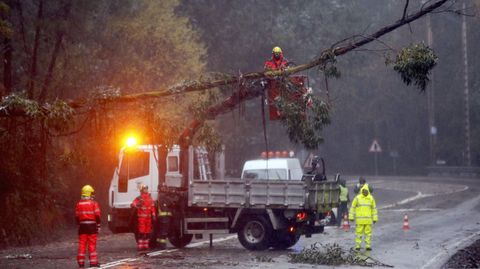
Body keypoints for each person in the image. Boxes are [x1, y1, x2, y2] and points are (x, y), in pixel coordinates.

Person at [75, 185, 101, 268]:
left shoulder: (78, 204)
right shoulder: (94, 203)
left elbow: (76, 217)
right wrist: (99, 225)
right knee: (92, 245)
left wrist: (79, 224)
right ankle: (93, 263)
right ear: (89, 193)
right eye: (92, 193)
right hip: (92, 227)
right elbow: (97, 215)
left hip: (82, 227)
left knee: (82, 245)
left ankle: (81, 263)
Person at [349, 185, 378, 251]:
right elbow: (352, 207)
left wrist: (375, 218)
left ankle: (368, 246)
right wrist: (351, 217)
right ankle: (358, 246)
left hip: (367, 220)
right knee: (359, 234)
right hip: (361, 221)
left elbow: (374, 209)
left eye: (366, 191)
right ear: (362, 191)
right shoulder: (357, 198)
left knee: (368, 234)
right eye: (364, 191)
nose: (365, 192)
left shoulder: (371, 198)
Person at [131, 185, 156, 251]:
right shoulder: (139, 198)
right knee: (141, 233)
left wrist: (154, 215)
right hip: (142, 218)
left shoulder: (150, 198)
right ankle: (140, 246)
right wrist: (138, 204)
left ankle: (145, 246)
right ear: (142, 190)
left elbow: (152, 207)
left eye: (147, 189)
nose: (146, 190)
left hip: (148, 219)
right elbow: (133, 204)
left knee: (147, 233)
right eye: (145, 189)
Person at [156, 185, 174, 249]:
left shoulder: (160, 195)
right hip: (164, 216)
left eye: (165, 187)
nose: (165, 189)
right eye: (163, 187)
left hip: (162, 216)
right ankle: (162, 245)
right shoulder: (163, 196)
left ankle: (159, 244)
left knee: (161, 230)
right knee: (164, 231)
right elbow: (171, 203)